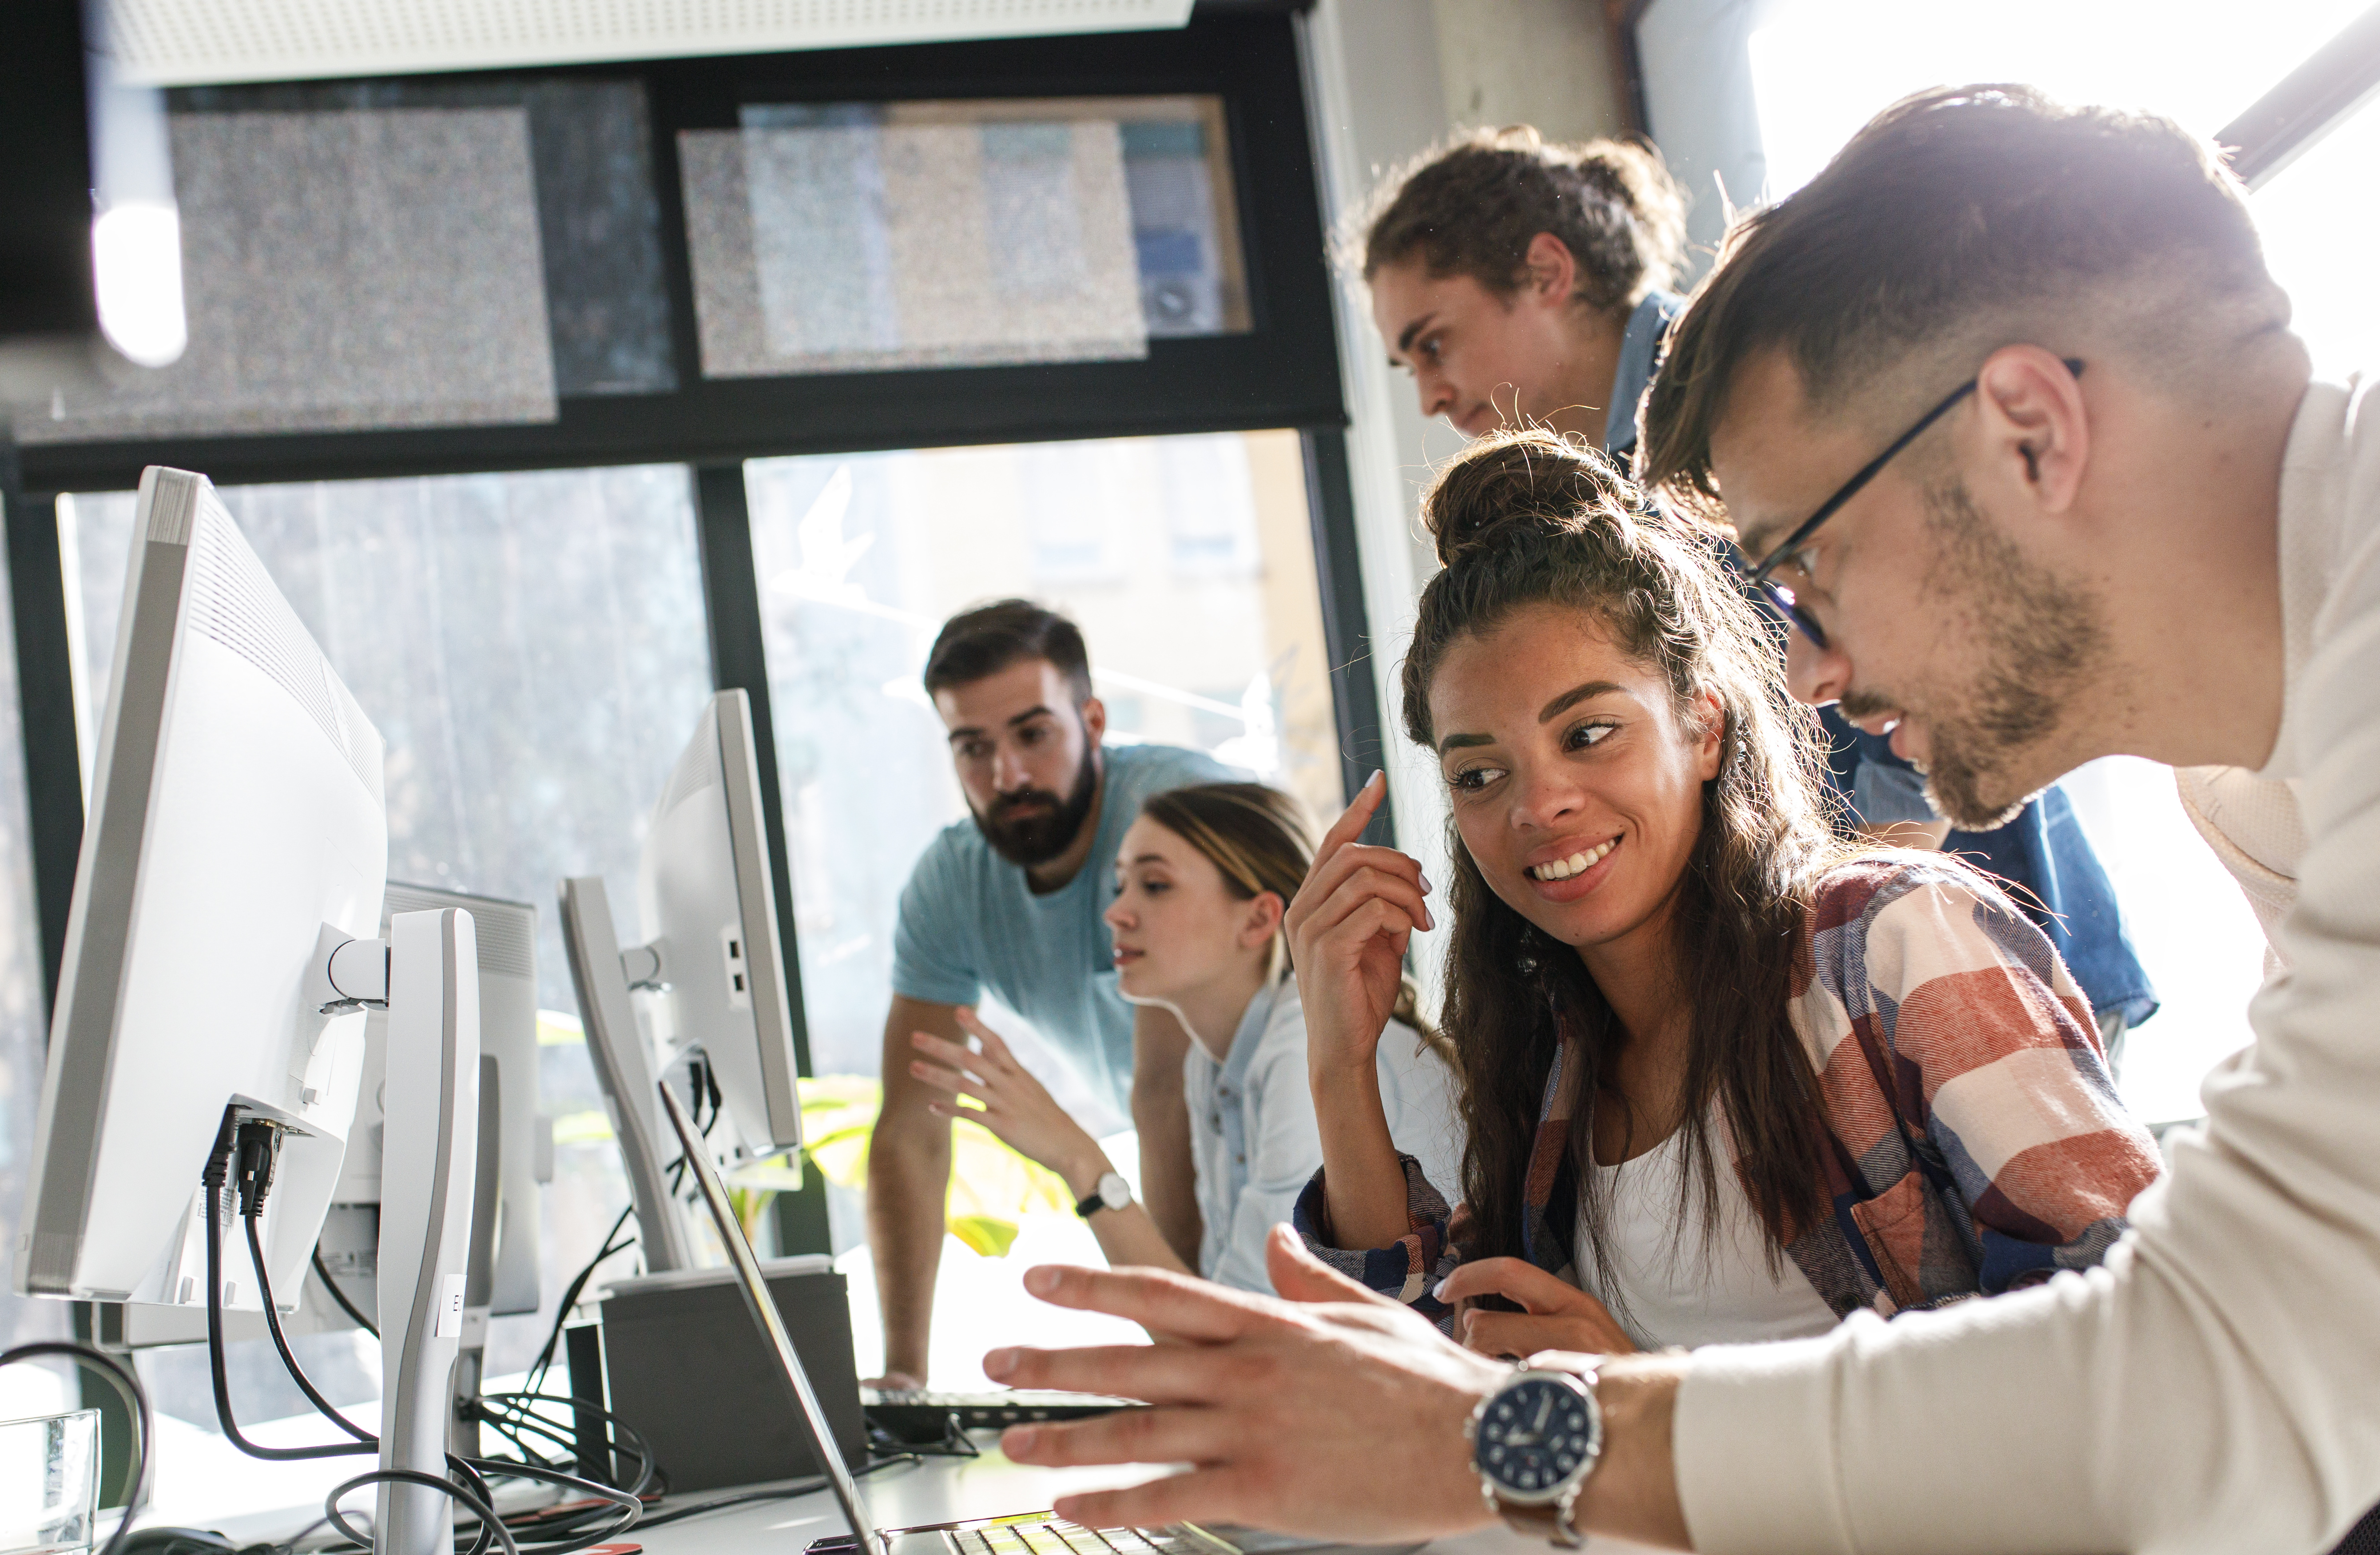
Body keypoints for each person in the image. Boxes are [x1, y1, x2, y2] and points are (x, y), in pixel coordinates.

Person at [971, 87, 2380, 1555]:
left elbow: (2246, 1372)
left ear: (2027, 428)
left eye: (1806, 563)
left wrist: (1513, 1438)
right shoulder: (2256, 768)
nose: (1810, 652)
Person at [1281, 430, 2155, 1360]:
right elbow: (1422, 1374)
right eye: (1480, 774)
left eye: (1588, 733)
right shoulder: (1553, 1053)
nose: (1539, 805)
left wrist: (1651, 1404)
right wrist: (1340, 1056)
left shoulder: (1890, 943)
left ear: (1702, 727)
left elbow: (2132, 1337)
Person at [1351, 123, 2154, 1055]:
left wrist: (1831, 950)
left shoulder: (1743, 405)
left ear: (1545, 272)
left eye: (1434, 343)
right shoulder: (1613, 488)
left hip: (1963, 958)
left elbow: (1929, 675)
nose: (1430, 397)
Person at [907, 781, 1463, 1295]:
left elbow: (1246, 1339)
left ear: (1257, 920)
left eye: (1154, 885)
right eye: (1120, 885)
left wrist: (1079, 1161)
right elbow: (1226, 1313)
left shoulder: (1301, 1049)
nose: (1117, 913)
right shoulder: (1211, 1065)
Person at [869, 600, 1229, 1386]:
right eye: (973, 748)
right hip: (1178, 1172)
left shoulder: (1171, 819)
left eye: (1033, 734)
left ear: (1093, 720)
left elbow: (1164, 1098)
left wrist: (1188, 1363)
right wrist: (904, 1379)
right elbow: (911, 1130)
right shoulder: (953, 882)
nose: (1008, 776)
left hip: (1287, 1158)